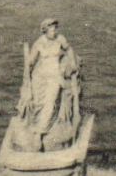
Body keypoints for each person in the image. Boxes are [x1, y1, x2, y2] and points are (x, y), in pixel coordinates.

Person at [17, 19, 81, 152]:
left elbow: (69, 49)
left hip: (54, 76)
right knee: (38, 104)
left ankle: (39, 134)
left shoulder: (60, 39)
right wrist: (25, 53)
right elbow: (30, 62)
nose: (54, 32)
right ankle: (34, 128)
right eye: (51, 29)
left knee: (50, 103)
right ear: (45, 30)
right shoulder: (39, 43)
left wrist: (73, 63)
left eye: (55, 29)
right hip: (39, 77)